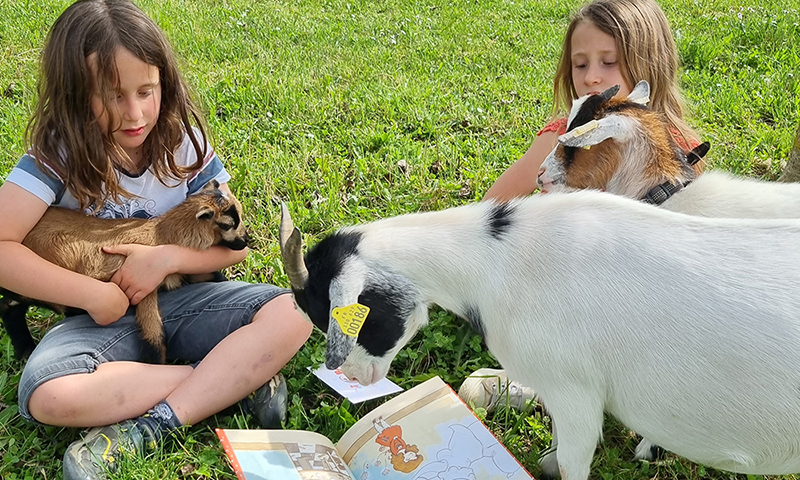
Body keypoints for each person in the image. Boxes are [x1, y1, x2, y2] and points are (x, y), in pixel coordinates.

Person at [0, 1, 313, 478]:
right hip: (101, 322)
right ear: (74, 94)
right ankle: (224, 382)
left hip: (185, 301)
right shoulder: (55, 155)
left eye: (147, 91)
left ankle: (158, 419)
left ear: (164, 82)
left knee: (295, 312)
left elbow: (238, 243)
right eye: (111, 96)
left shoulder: (183, 143)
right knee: (49, 393)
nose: (135, 112)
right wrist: (95, 293)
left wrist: (163, 258)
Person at [460, 0, 702, 410]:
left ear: (650, 65)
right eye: (580, 64)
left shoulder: (674, 150)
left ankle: (562, 382)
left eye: (609, 62)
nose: (592, 77)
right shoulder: (561, 137)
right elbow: (492, 206)